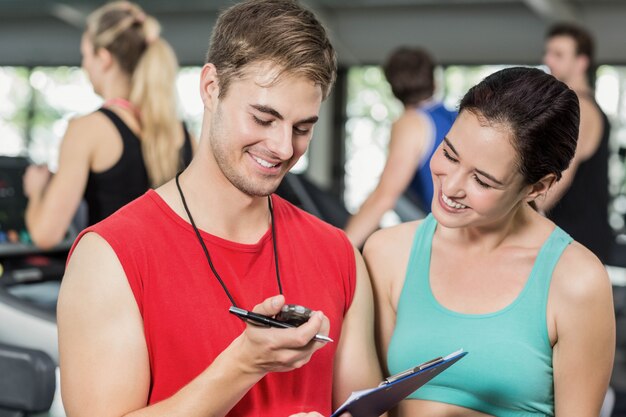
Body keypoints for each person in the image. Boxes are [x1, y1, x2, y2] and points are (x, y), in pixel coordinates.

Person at [57, 1, 381, 416]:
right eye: (264, 118)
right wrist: (243, 364)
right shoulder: (110, 257)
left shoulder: (340, 256)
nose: (284, 148)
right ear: (211, 87)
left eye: (302, 128)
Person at [364, 67, 615, 416]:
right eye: (449, 154)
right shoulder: (388, 253)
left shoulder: (576, 281)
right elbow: (372, 403)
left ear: (537, 187)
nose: (450, 187)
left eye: (482, 181)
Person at [23, 1, 194, 250]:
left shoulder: (87, 130)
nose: (84, 65)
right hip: (171, 285)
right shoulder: (185, 135)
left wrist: (36, 191)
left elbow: (46, 235)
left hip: (109, 284)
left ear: (103, 58)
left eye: (86, 55)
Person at [344, 47, 456, 249]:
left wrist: (339, 251)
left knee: (389, 192)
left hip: (445, 232)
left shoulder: (411, 122)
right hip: (465, 224)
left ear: (393, 89)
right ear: (434, 82)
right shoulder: (455, 118)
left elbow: (385, 197)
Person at [541, 22, 612, 264]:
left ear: (581, 62)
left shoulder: (579, 107)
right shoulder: (579, 104)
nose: (548, 60)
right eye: (548, 52)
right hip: (575, 238)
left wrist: (516, 218)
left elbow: (561, 175)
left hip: (575, 242)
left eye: (558, 54)